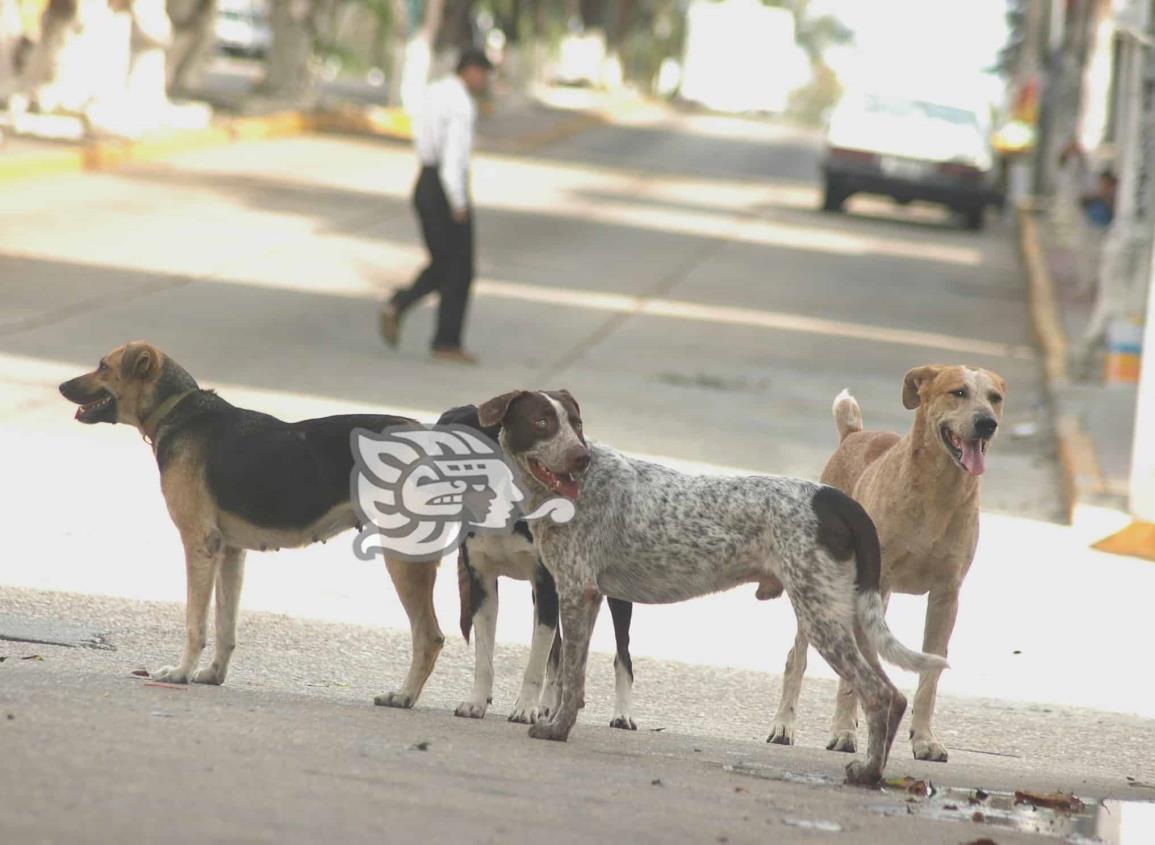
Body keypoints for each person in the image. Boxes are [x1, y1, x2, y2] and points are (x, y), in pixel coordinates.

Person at [379, 47, 492, 365]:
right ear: (470, 70)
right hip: (445, 188)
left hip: (425, 182)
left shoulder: (435, 91)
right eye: (482, 74)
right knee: (461, 268)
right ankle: (446, 340)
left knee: (444, 262)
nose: (483, 82)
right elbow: (453, 158)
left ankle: (399, 305)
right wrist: (458, 201)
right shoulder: (460, 104)